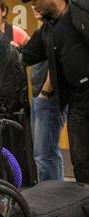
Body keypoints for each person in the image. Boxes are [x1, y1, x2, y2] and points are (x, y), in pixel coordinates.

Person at [21, 0, 89, 184]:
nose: (33, 5)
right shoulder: (48, 29)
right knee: (81, 162)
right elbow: (25, 55)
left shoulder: (82, 8)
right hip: (78, 99)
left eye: (35, 0)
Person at [29, 5, 65, 181]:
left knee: (44, 156)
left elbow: (57, 62)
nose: (34, 5)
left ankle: (51, 202)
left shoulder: (56, 29)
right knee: (47, 154)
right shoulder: (43, 30)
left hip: (48, 98)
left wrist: (45, 91)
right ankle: (55, 197)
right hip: (39, 96)